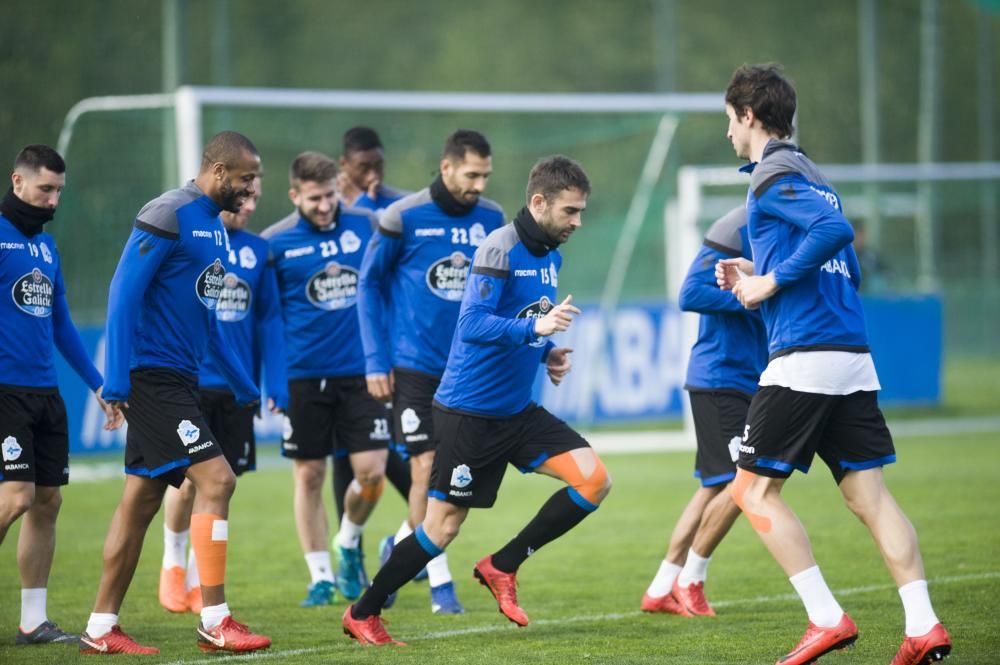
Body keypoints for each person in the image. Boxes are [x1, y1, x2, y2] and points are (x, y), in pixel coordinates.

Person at [716, 63, 950, 665]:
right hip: (849, 354)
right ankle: (923, 626)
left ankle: (826, 618)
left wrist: (767, 282)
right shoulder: (815, 174)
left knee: (751, 491)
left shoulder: (771, 172)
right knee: (869, 496)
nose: (728, 134)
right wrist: (756, 273)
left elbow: (833, 230)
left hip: (806, 356)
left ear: (748, 114)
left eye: (729, 120)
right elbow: (836, 250)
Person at [343, 155, 612, 646]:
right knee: (441, 528)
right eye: (570, 211)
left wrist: (547, 350)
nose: (578, 221)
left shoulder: (551, 254)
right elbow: (472, 325)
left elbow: (523, 320)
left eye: (580, 211)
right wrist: (537, 328)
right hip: (469, 414)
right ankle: (363, 612)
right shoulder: (498, 248)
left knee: (594, 480)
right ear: (539, 202)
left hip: (516, 412)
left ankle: (502, 565)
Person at [81, 131, 271, 655]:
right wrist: (114, 380)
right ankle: (216, 619)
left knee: (139, 502)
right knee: (218, 479)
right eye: (247, 178)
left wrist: (239, 378)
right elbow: (122, 291)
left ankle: (99, 628)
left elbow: (205, 321)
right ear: (217, 172)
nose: (253, 188)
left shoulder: (216, 229)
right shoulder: (168, 212)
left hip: (182, 376)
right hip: (152, 377)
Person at [358, 129, 505, 614]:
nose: (479, 185)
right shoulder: (402, 218)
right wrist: (376, 359)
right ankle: (441, 585)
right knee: (426, 470)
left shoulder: (493, 220)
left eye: (485, 175)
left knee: (453, 479)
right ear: (446, 168)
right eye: (471, 175)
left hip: (469, 370)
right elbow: (368, 286)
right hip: (415, 369)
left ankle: (400, 544)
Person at [0, 145, 120, 645]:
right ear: (18, 182)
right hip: (5, 394)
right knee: (15, 498)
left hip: (47, 395)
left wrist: (99, 384)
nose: (52, 201)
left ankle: (33, 621)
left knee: (47, 502)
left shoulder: (47, 250)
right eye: (45, 189)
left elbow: (63, 326)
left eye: (59, 192)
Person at [262, 151, 390, 608]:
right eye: (314, 198)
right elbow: (266, 319)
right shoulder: (273, 244)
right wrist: (272, 381)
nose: (324, 206)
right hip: (303, 377)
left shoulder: (367, 225)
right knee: (310, 475)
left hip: (363, 374)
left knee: (372, 473)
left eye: (331, 195)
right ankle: (320, 576)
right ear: (295, 195)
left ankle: (349, 541)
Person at [157, 175, 288, 615]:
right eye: (245, 197)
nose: (250, 206)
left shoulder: (258, 251)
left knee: (223, 486)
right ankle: (173, 565)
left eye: (256, 198)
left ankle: (198, 576)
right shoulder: (189, 234)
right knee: (190, 481)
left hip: (236, 387)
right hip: (189, 381)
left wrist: (276, 383)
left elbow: (268, 318)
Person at [641, 207, 766, 617]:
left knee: (716, 486)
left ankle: (661, 588)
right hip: (720, 377)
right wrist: (753, 295)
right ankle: (690, 579)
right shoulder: (736, 228)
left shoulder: (792, 233)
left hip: (749, 379)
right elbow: (690, 293)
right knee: (742, 481)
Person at [336, 126, 409, 213]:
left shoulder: (404, 204)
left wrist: (360, 200)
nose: (373, 177)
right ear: (343, 164)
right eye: (364, 169)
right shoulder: (325, 203)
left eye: (378, 167)